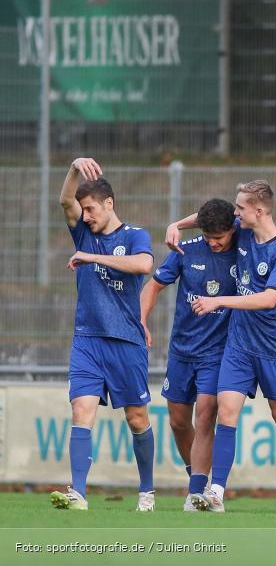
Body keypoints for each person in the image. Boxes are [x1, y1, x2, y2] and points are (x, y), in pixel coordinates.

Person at [166, 180, 276, 514]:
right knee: (227, 411)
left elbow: (270, 298)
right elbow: (209, 218)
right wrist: (175, 225)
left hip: (273, 348)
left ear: (258, 211)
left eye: (240, 208)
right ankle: (216, 493)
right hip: (239, 346)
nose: (235, 212)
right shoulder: (243, 231)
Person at [51, 157, 156, 511]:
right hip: (87, 340)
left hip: (126, 341)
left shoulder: (135, 235)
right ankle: (78, 492)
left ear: (109, 203)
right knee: (81, 410)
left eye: (91, 209)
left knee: (137, 418)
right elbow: (64, 201)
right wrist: (72, 168)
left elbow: (144, 265)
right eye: (83, 211)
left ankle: (147, 491)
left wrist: (95, 259)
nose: (87, 216)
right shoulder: (83, 232)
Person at [140, 198, 238, 511]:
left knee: (207, 413)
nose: (214, 244)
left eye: (219, 238)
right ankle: (197, 478)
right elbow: (153, 286)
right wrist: (140, 321)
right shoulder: (189, 249)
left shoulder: (244, 244)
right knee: (179, 423)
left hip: (218, 351)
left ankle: (196, 492)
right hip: (182, 350)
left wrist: (179, 223)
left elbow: (241, 211)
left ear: (231, 230)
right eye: (209, 238)